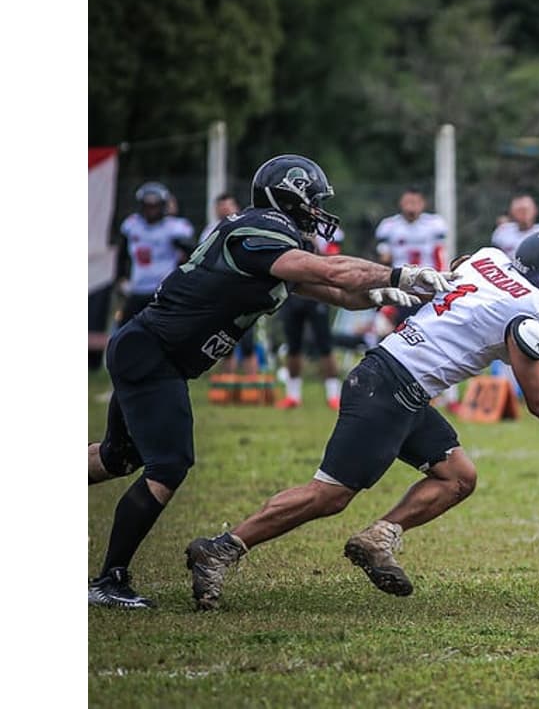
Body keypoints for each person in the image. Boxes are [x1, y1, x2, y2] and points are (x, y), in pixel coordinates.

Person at [185, 230, 539, 610]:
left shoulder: (485, 259)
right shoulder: (537, 310)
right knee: (329, 494)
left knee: (457, 475)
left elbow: (468, 270)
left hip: (394, 379)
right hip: (390, 387)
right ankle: (223, 546)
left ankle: (378, 537)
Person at [87, 154, 457, 609]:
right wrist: (398, 272)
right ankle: (110, 579)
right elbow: (331, 272)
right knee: (168, 466)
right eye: (313, 201)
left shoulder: (269, 244)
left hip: (154, 352)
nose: (318, 211)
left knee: (117, 456)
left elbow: (337, 291)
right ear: (291, 196)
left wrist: (381, 292)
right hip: (153, 354)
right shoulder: (258, 230)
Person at [276, 224, 346, 409]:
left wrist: (314, 243)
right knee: (293, 345)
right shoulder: (286, 224)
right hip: (293, 289)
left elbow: (333, 260)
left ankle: (333, 394)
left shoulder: (327, 230)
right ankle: (293, 395)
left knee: (325, 344)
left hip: (317, 291)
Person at [115, 181, 196, 325]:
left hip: (163, 289)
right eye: (148, 206)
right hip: (138, 287)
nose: (151, 210)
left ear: (163, 205)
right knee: (123, 329)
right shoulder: (132, 225)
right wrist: (120, 276)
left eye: (155, 205)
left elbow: (193, 253)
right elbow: (122, 255)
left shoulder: (174, 227)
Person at [201, 193, 262, 375]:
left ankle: (252, 384)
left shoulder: (247, 226)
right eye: (221, 206)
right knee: (224, 340)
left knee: (248, 340)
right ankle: (228, 387)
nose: (225, 209)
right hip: (221, 291)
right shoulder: (210, 230)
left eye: (228, 205)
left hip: (244, 289)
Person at [375, 186, 449, 323]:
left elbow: (440, 255)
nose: (411, 207)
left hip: (427, 283)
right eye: (408, 203)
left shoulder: (434, 224)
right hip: (401, 282)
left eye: (415, 203)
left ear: (423, 204)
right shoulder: (389, 226)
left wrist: (440, 279)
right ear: (401, 204)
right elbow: (384, 259)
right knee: (391, 324)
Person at [491, 192, 539, 259]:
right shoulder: (503, 232)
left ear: (535, 210)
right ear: (511, 212)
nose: (523, 214)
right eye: (519, 210)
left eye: (526, 210)